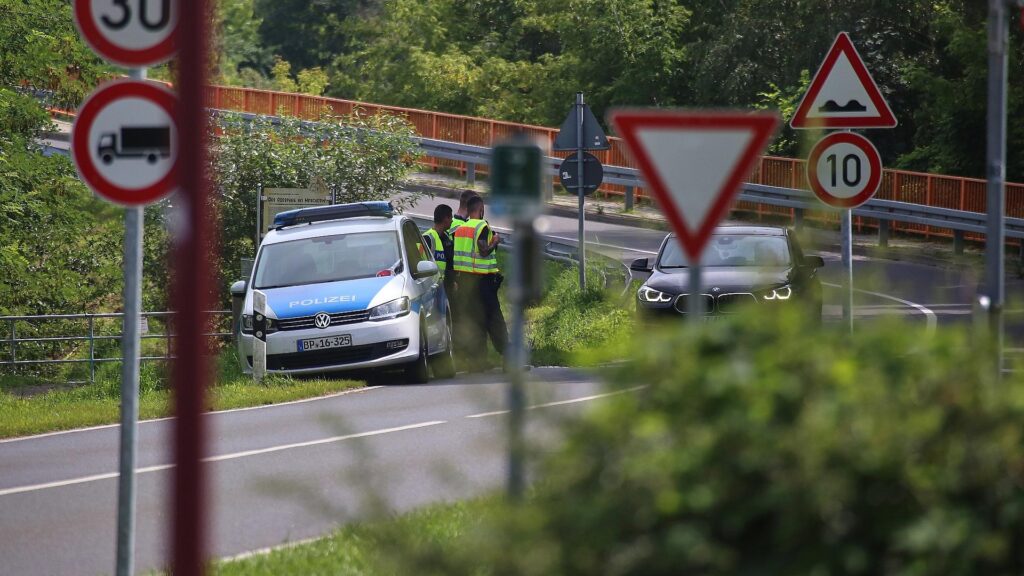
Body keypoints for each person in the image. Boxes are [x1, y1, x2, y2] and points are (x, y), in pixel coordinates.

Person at [452, 195, 507, 369]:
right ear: (481, 209)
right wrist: (495, 241)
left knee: (475, 323)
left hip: (465, 284)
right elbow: (483, 250)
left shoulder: (460, 229)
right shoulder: (482, 226)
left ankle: (477, 362)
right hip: (483, 283)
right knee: (495, 321)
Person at [423, 204, 456, 295]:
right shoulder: (427, 238)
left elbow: (450, 263)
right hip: (430, 288)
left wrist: (453, 281)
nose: (452, 220)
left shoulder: (447, 238)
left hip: (445, 286)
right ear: (445, 219)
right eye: (450, 218)